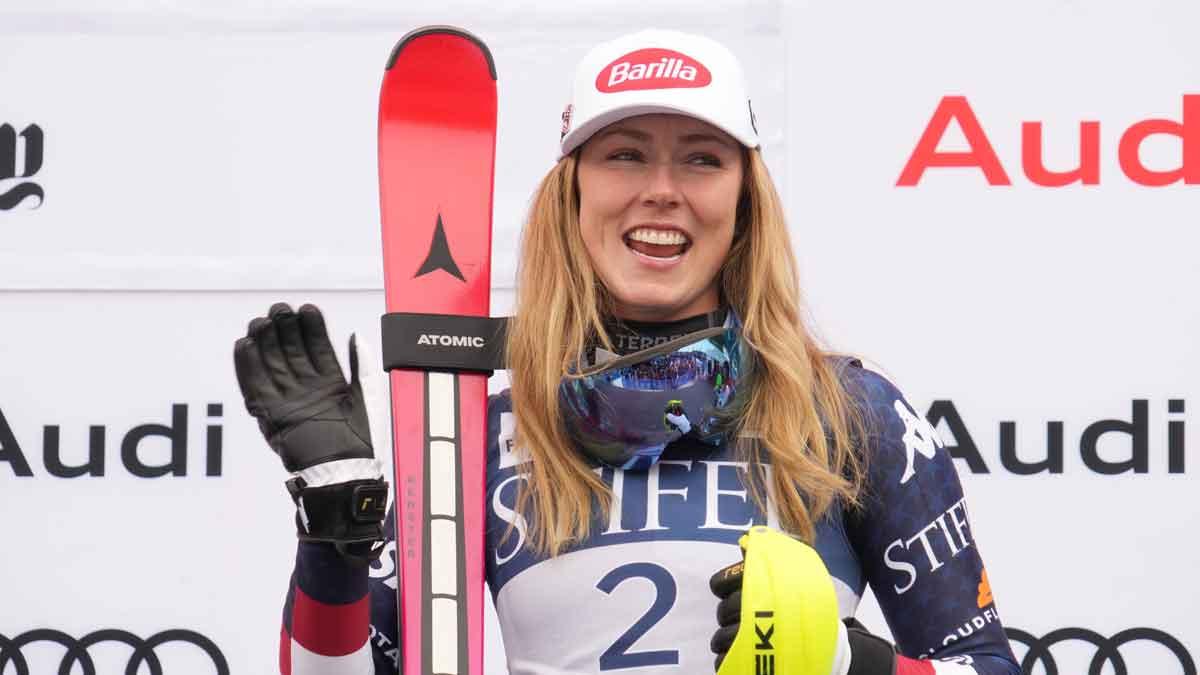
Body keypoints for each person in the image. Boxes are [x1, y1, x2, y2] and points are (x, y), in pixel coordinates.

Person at [234, 29, 1021, 675]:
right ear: (573, 192)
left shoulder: (848, 413)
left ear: (745, 203)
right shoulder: (483, 431)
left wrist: (853, 664)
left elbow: (986, 664)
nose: (662, 190)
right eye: (625, 154)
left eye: (703, 158)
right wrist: (335, 528)